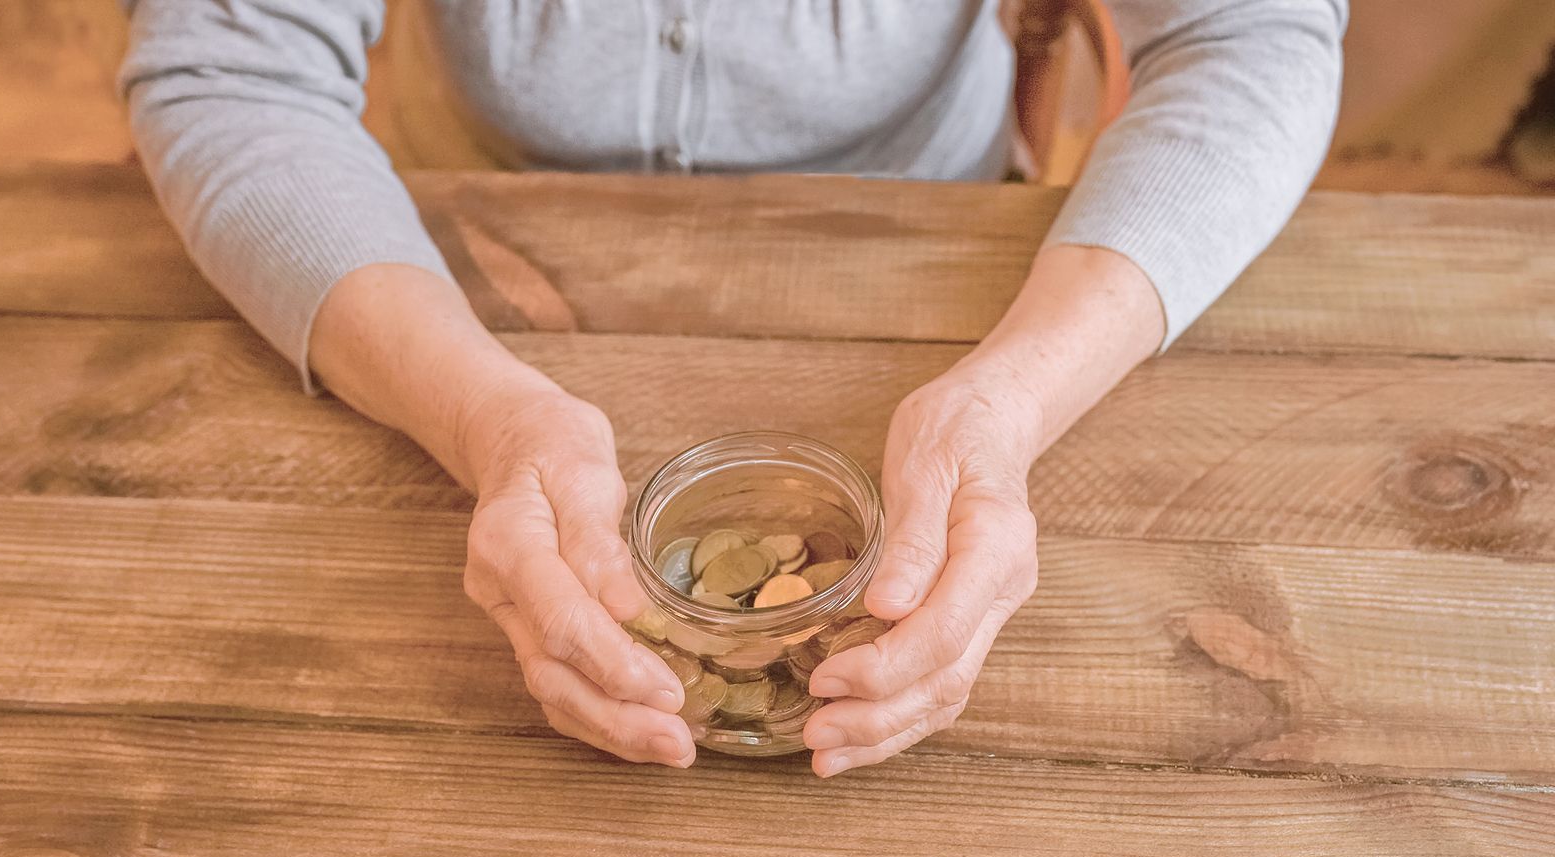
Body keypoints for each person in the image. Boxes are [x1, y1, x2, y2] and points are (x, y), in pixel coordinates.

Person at [119, 1, 1345, 777]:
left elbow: (1255, 31)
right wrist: (486, 415)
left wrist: (1009, 405)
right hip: (455, 287)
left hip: (948, 283)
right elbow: (229, 61)